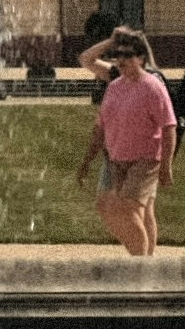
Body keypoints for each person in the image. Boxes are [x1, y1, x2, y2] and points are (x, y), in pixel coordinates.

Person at [76, 28, 178, 256]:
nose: (120, 59)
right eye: (118, 54)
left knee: (128, 208)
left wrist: (166, 166)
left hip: (145, 156)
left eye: (127, 54)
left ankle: (140, 265)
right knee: (139, 210)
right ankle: (145, 261)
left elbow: (168, 126)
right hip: (116, 155)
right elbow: (86, 59)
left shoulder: (152, 83)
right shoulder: (115, 81)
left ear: (141, 57)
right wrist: (111, 40)